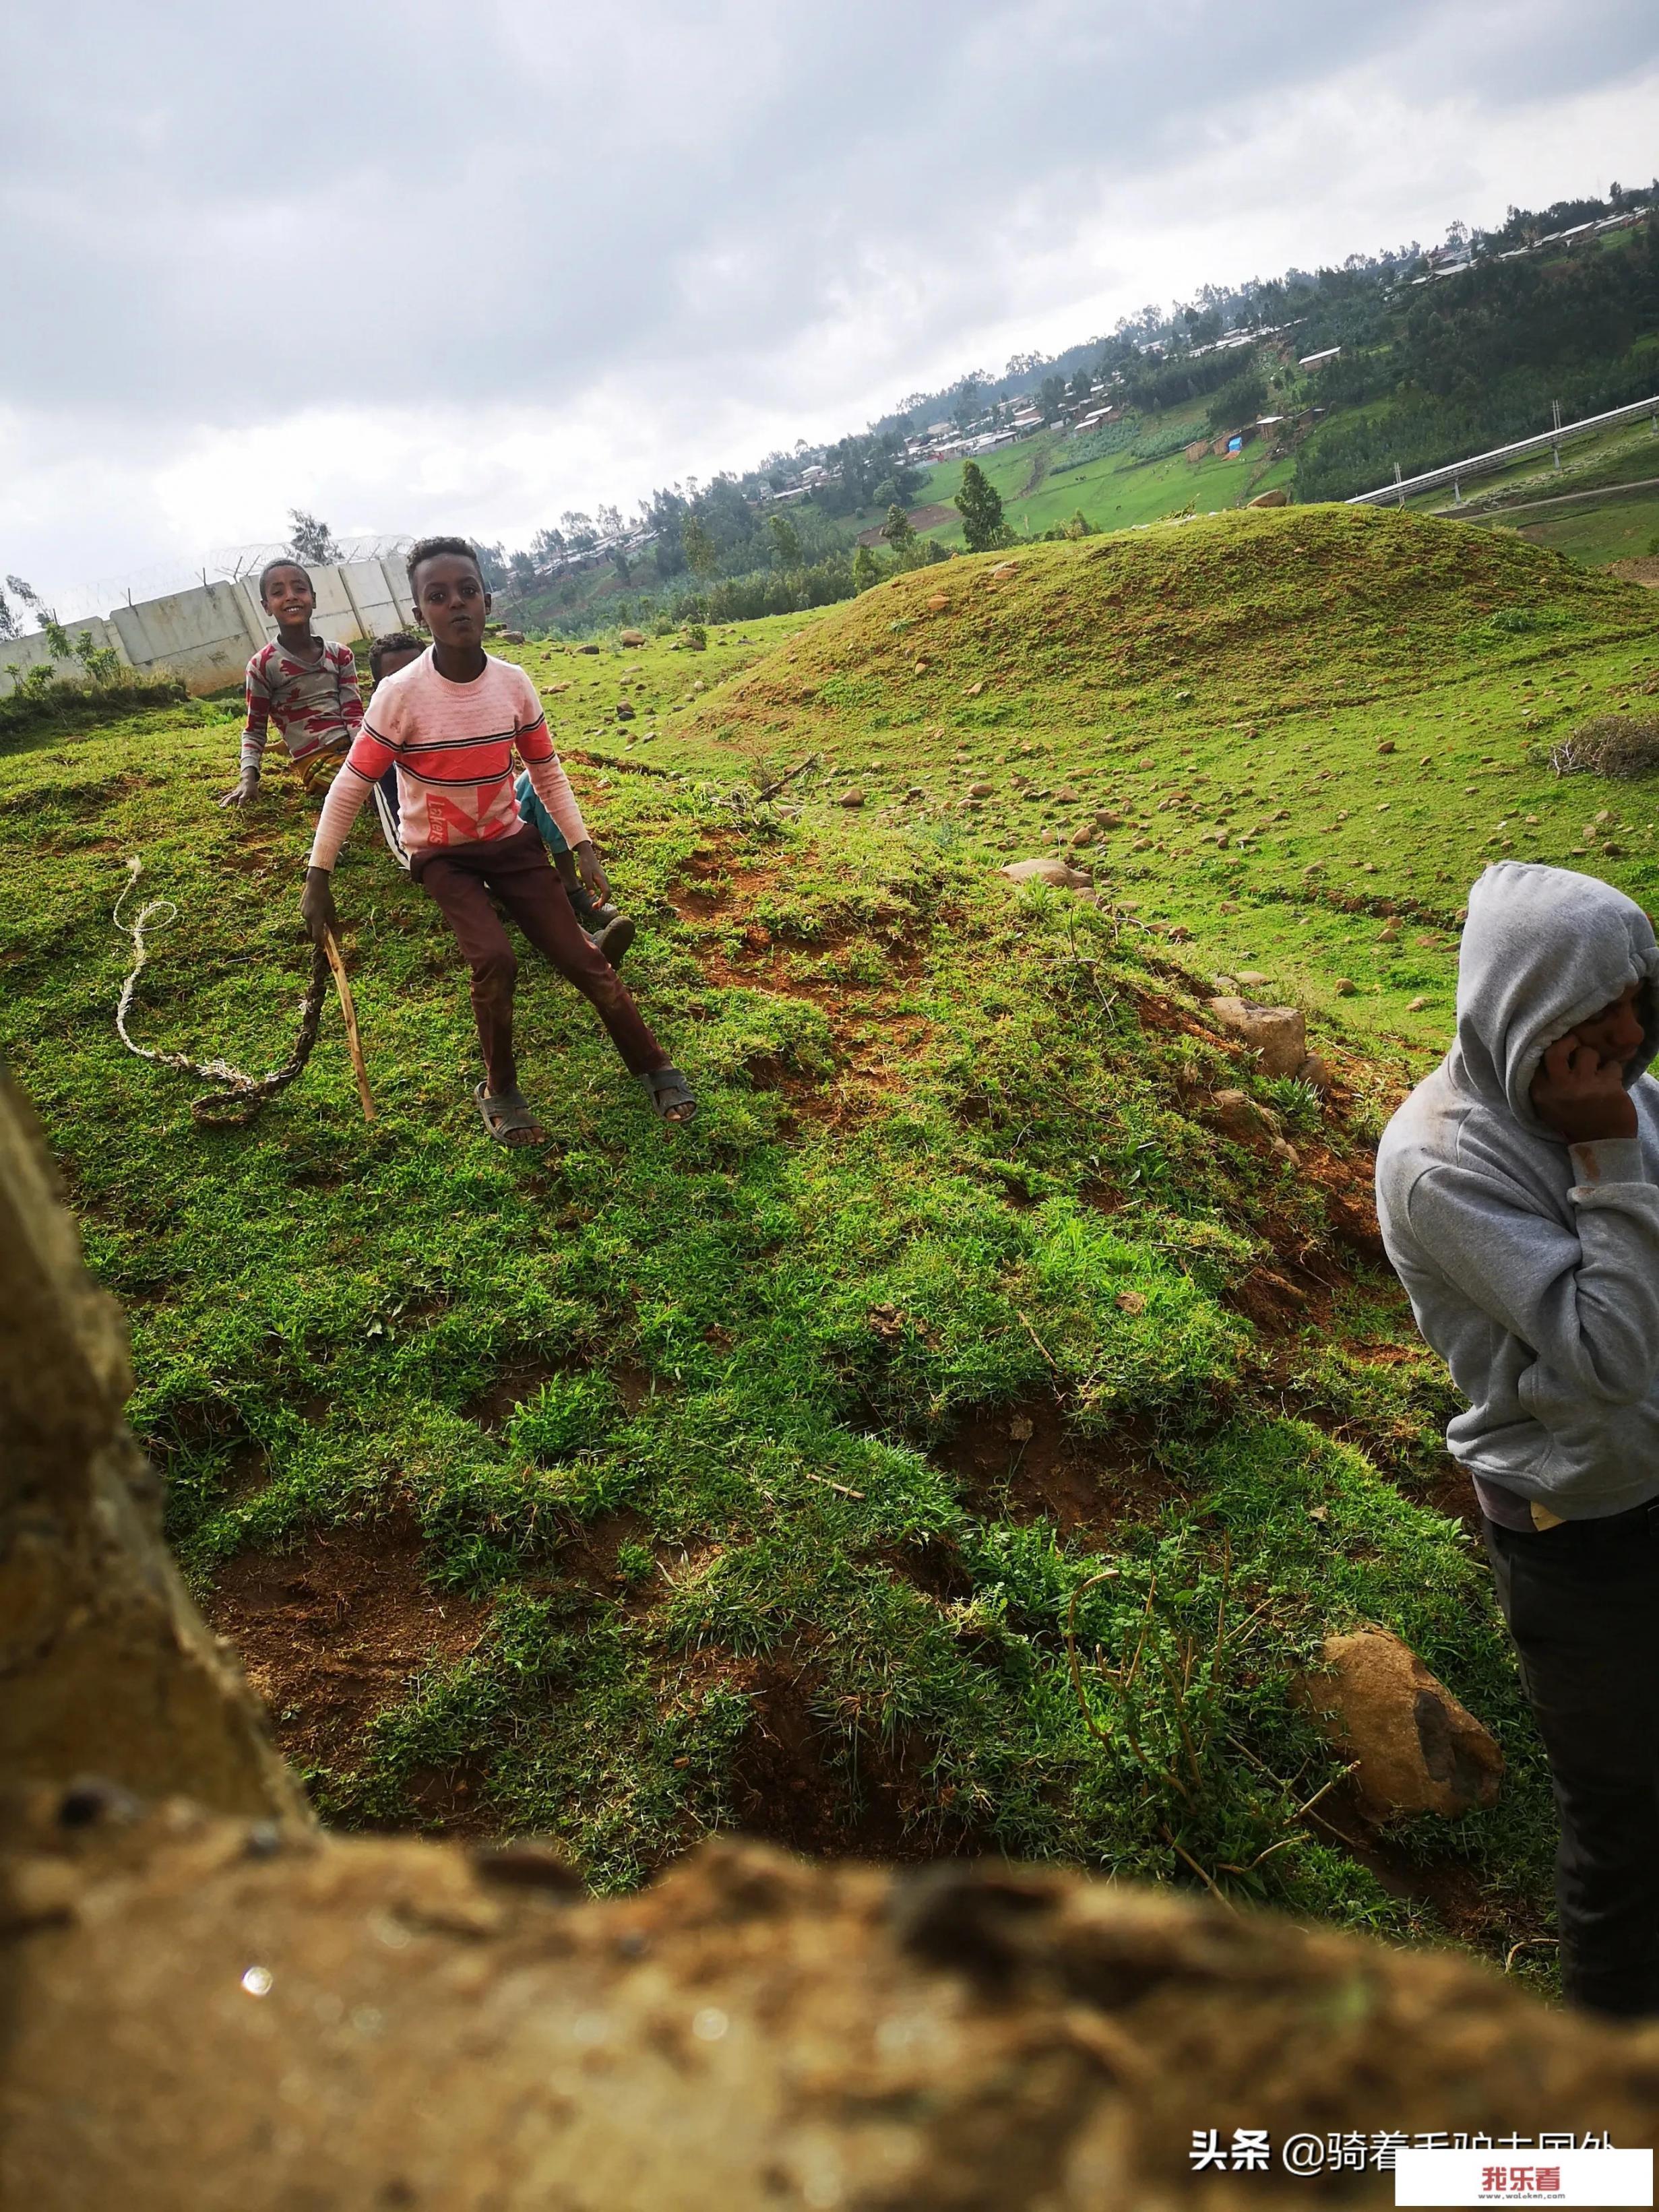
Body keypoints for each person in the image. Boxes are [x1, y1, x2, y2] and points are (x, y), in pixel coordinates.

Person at [1376, 860, 1659, 2019]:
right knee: (1624, 1833)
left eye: (1640, 1003)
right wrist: (1605, 1160)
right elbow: (1612, 1359)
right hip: (1582, 1539)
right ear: (1520, 1014)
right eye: (1596, 1023)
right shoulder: (1443, 1160)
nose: (1629, 1039)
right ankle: (1605, 2124)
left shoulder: (1616, 1090)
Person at [300, 537, 695, 1145]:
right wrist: (318, 875)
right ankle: (500, 1089)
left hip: (508, 841)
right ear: (419, 612)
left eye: (467, 591)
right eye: (438, 596)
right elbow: (352, 783)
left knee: (585, 959)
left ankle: (653, 1064)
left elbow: (546, 769)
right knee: (495, 959)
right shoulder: (399, 694)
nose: (455, 604)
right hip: (442, 852)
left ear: (487, 599)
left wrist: (581, 843)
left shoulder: (513, 684)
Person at [222, 561, 404, 863]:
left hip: (355, 748)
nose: (291, 596)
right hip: (318, 763)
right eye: (278, 592)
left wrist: (370, 753)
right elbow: (254, 729)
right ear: (267, 606)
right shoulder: (262, 666)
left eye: (300, 588)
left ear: (314, 599)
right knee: (377, 784)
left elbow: (353, 712)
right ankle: (402, 835)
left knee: (402, 764)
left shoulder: (340, 655)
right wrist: (248, 777)